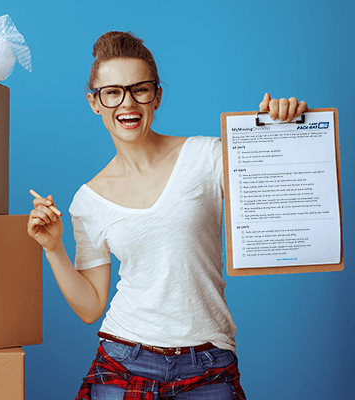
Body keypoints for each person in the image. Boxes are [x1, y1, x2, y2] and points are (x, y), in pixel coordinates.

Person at [26, 31, 307, 400]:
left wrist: (281, 130)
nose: (127, 102)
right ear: (94, 102)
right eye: (112, 92)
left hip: (207, 364)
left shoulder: (207, 156)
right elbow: (91, 306)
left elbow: (281, 191)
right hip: (123, 360)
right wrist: (52, 248)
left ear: (157, 95)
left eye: (139, 89)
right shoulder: (87, 200)